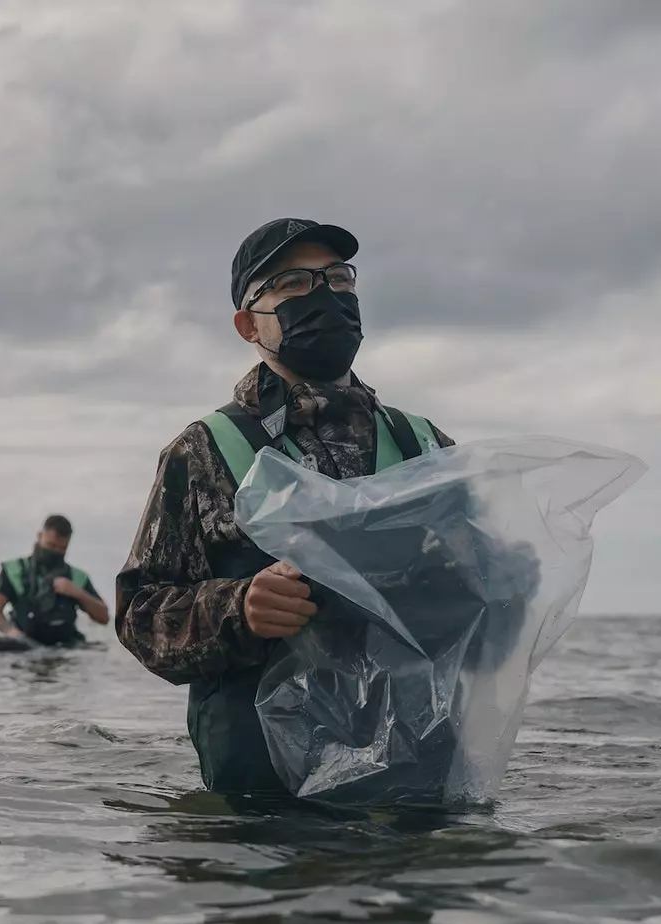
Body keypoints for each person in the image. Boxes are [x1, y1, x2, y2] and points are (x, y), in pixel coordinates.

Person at [115, 217, 455, 797]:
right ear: (249, 323)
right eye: (294, 283)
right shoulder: (204, 451)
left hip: (416, 787)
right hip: (266, 805)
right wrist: (239, 608)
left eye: (339, 278)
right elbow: (138, 616)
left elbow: (496, 596)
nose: (325, 295)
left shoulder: (425, 446)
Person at [0, 515, 109, 646]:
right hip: (25, 647)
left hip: (67, 648)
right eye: (51, 545)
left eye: (62, 548)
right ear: (40, 536)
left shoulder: (76, 576)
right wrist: (11, 632)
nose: (56, 551)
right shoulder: (14, 570)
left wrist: (77, 593)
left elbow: (104, 617)